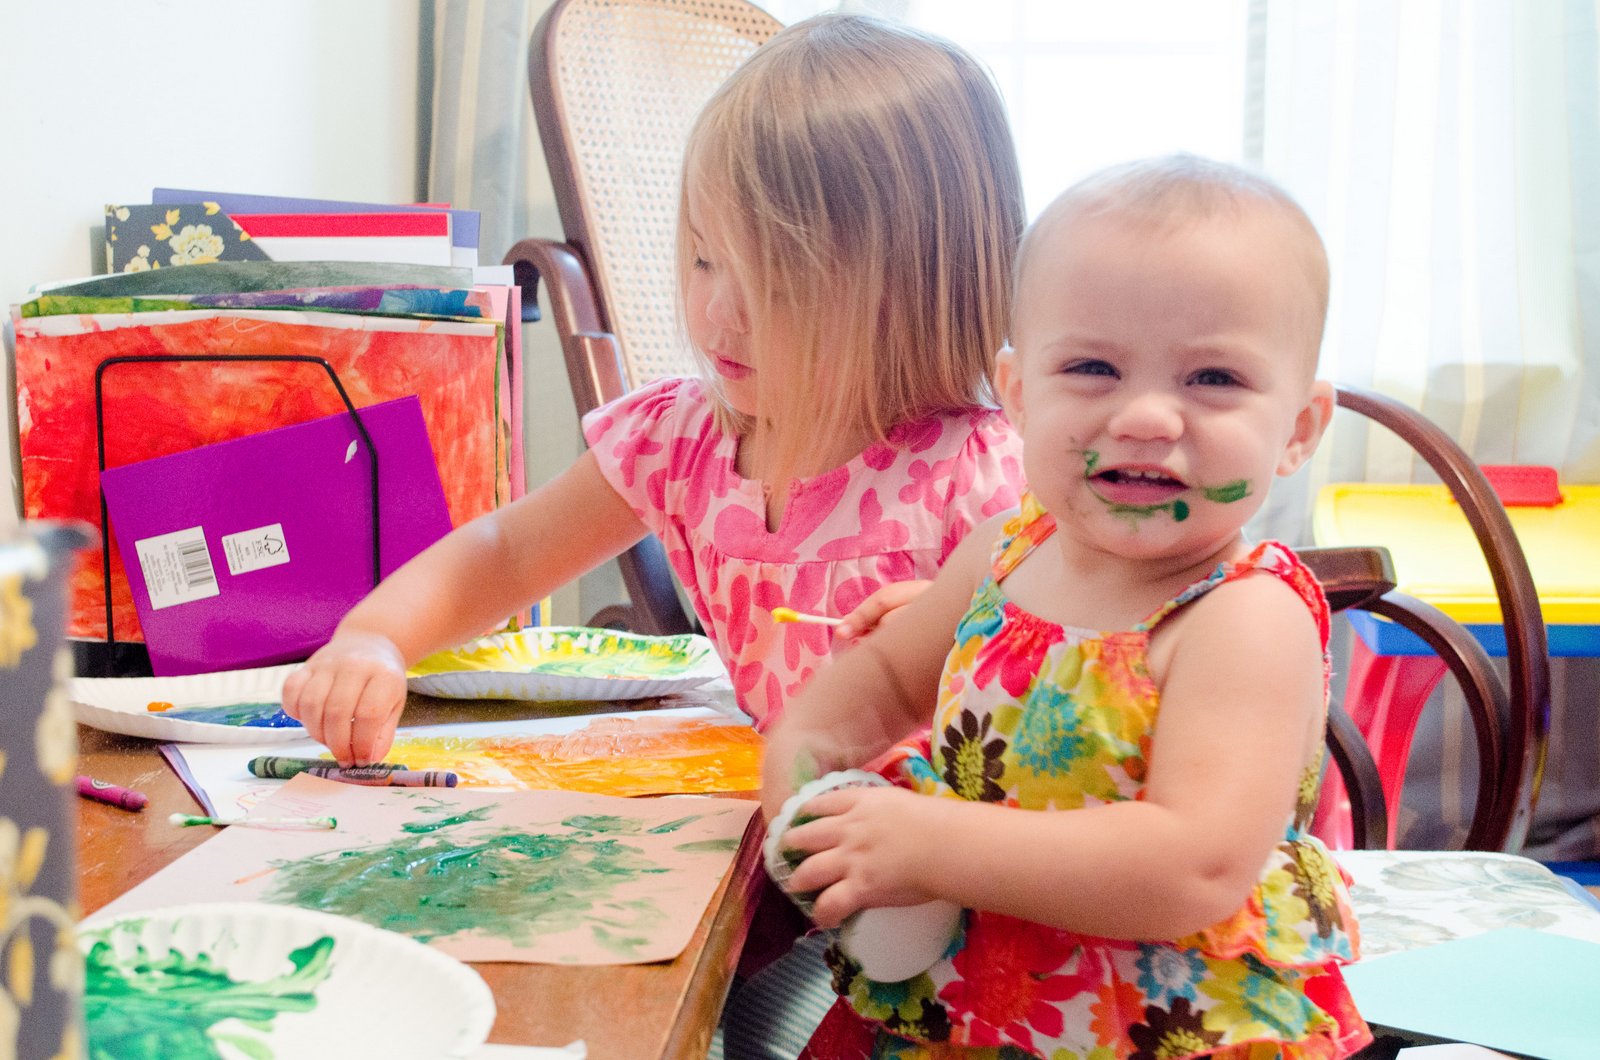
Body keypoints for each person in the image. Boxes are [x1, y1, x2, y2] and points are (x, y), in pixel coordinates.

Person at [282, 12, 1027, 770]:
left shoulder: (978, 476)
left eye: (777, 281)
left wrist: (974, 642)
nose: (718, 314)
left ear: (923, 288)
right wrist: (375, 636)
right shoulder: (680, 441)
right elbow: (508, 553)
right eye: (705, 261)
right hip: (756, 829)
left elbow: (1093, 677)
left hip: (928, 855)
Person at [758, 154, 1373, 1059]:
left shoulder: (1244, 620)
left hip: (1153, 1027)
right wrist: (801, 770)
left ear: (1301, 429)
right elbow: (884, 678)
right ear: (1016, 394)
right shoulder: (1006, 550)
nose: (1149, 417)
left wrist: (933, 844)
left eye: (1213, 380)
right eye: (1092, 367)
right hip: (958, 1002)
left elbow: (1192, 865)